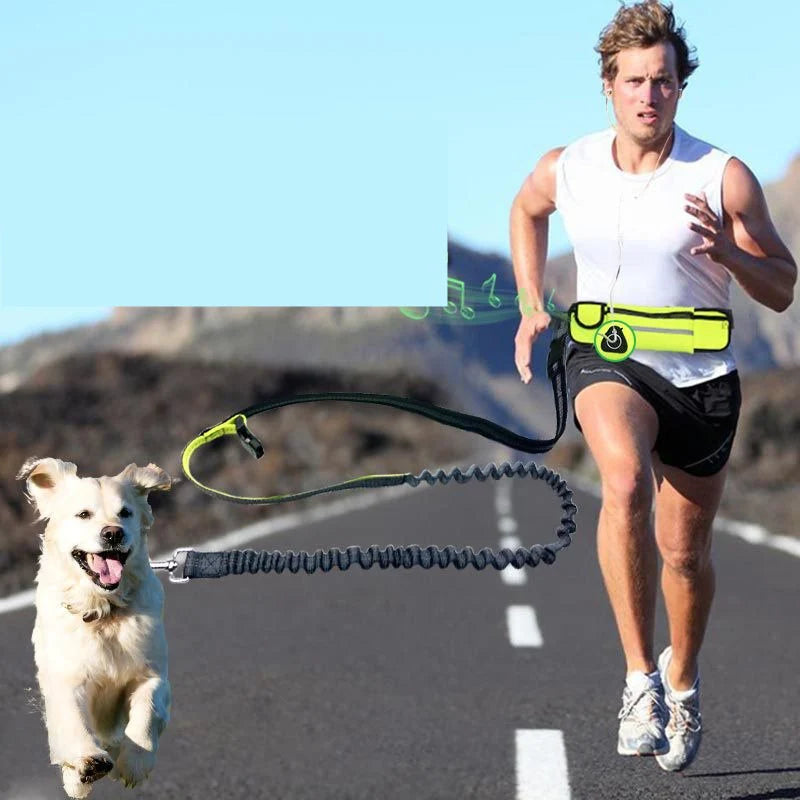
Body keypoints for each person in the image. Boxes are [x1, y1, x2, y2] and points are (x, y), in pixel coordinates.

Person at [509, 0, 796, 773]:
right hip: (611, 358)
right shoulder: (568, 167)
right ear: (609, 85)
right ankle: (639, 678)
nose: (648, 95)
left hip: (702, 380)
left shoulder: (720, 176)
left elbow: (783, 286)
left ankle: (683, 675)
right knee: (625, 482)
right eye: (634, 80)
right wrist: (534, 304)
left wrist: (732, 259)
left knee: (684, 555)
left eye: (662, 81)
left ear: (680, 87)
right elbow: (525, 210)